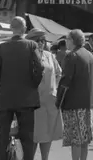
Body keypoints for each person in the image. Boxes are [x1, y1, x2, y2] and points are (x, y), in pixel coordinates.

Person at [0, 16, 44, 160]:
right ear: (24, 29)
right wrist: (33, 84)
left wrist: (4, 83)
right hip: (27, 99)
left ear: (11, 29)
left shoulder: (1, 47)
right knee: (27, 138)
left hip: (6, 98)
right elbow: (39, 69)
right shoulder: (32, 45)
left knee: (2, 137)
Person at [57, 29, 93, 160]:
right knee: (84, 138)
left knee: (76, 139)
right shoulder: (91, 56)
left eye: (67, 39)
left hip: (74, 104)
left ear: (72, 40)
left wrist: (58, 102)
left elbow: (65, 82)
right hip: (88, 103)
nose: (66, 42)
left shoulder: (72, 56)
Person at [26, 29, 63, 160]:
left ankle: (45, 158)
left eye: (43, 40)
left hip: (49, 100)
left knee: (47, 133)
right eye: (38, 40)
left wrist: (54, 89)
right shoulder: (26, 57)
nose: (41, 43)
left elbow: (59, 73)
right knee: (34, 133)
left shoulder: (50, 56)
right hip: (33, 101)